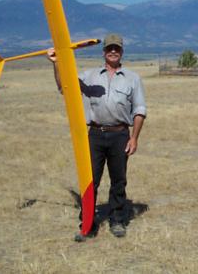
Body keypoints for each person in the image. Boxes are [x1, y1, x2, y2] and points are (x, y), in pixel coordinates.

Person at [47, 33, 146, 240]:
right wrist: (56, 63)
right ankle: (88, 224)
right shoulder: (90, 76)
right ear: (104, 52)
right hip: (94, 135)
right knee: (90, 180)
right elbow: (64, 87)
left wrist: (134, 138)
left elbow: (139, 110)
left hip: (120, 135)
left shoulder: (133, 78)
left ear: (121, 52)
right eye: (109, 48)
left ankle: (117, 220)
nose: (113, 51)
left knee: (119, 180)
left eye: (116, 48)